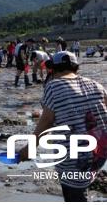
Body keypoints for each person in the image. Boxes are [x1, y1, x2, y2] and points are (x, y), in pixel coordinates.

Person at [18, 51, 107, 202]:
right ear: (75, 68)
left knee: (74, 195)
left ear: (53, 69)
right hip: (99, 154)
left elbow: (46, 122)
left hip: (74, 157)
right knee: (81, 187)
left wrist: (28, 149)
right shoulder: (96, 85)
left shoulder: (54, 86)